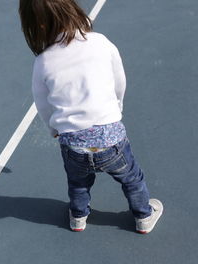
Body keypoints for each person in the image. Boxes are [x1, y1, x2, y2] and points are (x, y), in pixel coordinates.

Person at [18, 0, 163, 233]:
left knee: (78, 184)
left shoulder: (43, 61)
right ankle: (144, 216)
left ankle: (78, 217)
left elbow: (42, 103)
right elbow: (119, 81)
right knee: (132, 179)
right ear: (72, 8)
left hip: (73, 145)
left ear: (37, 26)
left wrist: (53, 128)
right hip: (111, 139)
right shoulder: (100, 42)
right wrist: (118, 106)